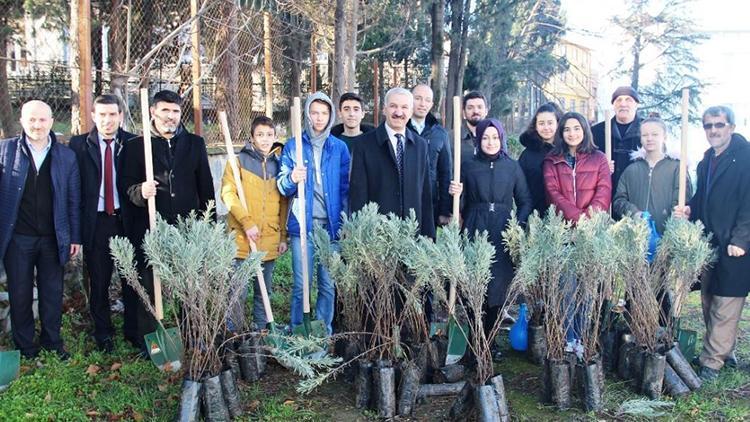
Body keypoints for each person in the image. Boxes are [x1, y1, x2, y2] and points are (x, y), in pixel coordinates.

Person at [120, 90, 215, 354]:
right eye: (165, 110)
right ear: (153, 111)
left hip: (186, 229)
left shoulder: (194, 144)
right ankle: (150, 342)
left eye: (175, 111)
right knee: (150, 286)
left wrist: (207, 228)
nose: (170, 116)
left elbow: (205, 187)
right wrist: (141, 191)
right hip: (151, 228)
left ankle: (192, 334)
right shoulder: (136, 145)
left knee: (189, 285)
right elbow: (126, 186)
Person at [673, 105, 750, 381]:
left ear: (731, 126)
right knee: (709, 298)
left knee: (726, 302)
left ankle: (712, 363)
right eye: (708, 126)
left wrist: (742, 238)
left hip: (735, 243)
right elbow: (703, 199)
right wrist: (691, 210)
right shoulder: (707, 160)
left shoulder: (745, 157)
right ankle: (723, 352)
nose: (713, 130)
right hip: (710, 242)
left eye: (719, 124)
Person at [0, 100, 81, 360]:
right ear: (22, 122)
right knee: (20, 293)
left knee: (52, 293)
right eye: (32, 120)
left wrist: (75, 236)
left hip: (52, 238)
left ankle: (52, 342)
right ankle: (25, 347)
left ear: (51, 122)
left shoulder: (65, 156)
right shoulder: (5, 151)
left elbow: (73, 199)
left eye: (43, 120)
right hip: (18, 239)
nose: (37, 125)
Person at [448, 118, 532, 360]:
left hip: (503, 229)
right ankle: (475, 339)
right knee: (477, 286)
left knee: (498, 288)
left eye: (495, 137)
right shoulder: (467, 165)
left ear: (502, 139)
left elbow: (525, 200)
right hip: (476, 224)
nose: (490, 142)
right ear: (478, 139)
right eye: (486, 137)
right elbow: (458, 208)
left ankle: (491, 339)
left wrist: (518, 227)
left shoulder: (512, 167)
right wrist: (457, 194)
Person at [69, 94, 138, 353]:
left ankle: (133, 330)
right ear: (93, 116)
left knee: (131, 279)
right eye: (102, 115)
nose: (107, 120)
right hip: (96, 223)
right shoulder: (78, 145)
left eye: (112, 115)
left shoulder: (133, 143)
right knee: (98, 281)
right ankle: (103, 333)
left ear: (120, 116)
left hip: (125, 221)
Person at [278, 92, 350, 335]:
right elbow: (281, 186)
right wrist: (291, 178)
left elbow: (345, 189)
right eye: (314, 112)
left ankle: (323, 330)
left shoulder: (339, 148)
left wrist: (344, 222)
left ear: (330, 116)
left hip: (330, 227)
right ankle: (299, 329)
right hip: (303, 226)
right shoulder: (293, 145)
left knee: (328, 283)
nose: (319, 118)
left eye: (324, 113)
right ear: (307, 114)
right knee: (301, 284)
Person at [222, 116, 288, 332]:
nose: (265, 139)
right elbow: (228, 194)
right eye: (260, 135)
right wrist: (247, 222)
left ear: (275, 137)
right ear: (252, 137)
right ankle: (234, 333)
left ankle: (261, 332)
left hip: (268, 238)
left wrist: (283, 236)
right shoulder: (237, 161)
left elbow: (284, 204)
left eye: (269, 135)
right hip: (241, 238)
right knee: (237, 291)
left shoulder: (280, 163)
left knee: (263, 291)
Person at [349, 87, 435, 238]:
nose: (398, 112)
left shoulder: (421, 146)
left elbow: (425, 195)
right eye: (393, 106)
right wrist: (360, 236)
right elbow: (358, 195)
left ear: (410, 111)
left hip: (411, 235)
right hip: (377, 237)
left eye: (404, 107)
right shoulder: (363, 145)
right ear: (384, 109)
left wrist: (428, 237)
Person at [613, 116, 692, 234]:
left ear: (664, 137)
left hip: (668, 238)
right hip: (637, 238)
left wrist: (675, 218)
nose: (649, 138)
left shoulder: (677, 168)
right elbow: (618, 201)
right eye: (645, 135)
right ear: (640, 138)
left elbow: (683, 201)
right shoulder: (631, 170)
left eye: (655, 134)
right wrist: (634, 213)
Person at [543, 111, 612, 223]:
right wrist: (577, 218)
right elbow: (553, 194)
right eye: (567, 129)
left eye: (576, 128)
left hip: (592, 228)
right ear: (561, 133)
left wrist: (587, 220)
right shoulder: (551, 161)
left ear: (584, 130)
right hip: (562, 229)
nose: (572, 133)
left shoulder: (599, 159)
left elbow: (603, 192)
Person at [407, 83, 453, 226]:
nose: (422, 104)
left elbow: (446, 173)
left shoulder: (440, 134)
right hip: (402, 202)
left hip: (430, 203)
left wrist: (444, 210)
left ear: (432, 104)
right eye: (418, 98)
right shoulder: (399, 129)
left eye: (427, 100)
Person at [591, 86, 642, 194]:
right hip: (605, 194)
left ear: (636, 104)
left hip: (637, 194)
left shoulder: (647, 131)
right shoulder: (597, 131)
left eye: (629, 99)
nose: (623, 104)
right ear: (613, 105)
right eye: (618, 100)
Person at [518, 102, 563, 216]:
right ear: (536, 126)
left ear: (558, 124)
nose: (546, 127)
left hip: (564, 216)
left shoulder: (566, 151)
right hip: (535, 216)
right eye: (541, 123)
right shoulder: (527, 155)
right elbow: (521, 189)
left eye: (550, 123)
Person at [458, 91, 489, 165]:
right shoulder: (452, 138)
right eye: (470, 108)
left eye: (480, 107)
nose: (475, 111)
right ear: (463, 112)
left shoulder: (495, 138)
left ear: (486, 111)